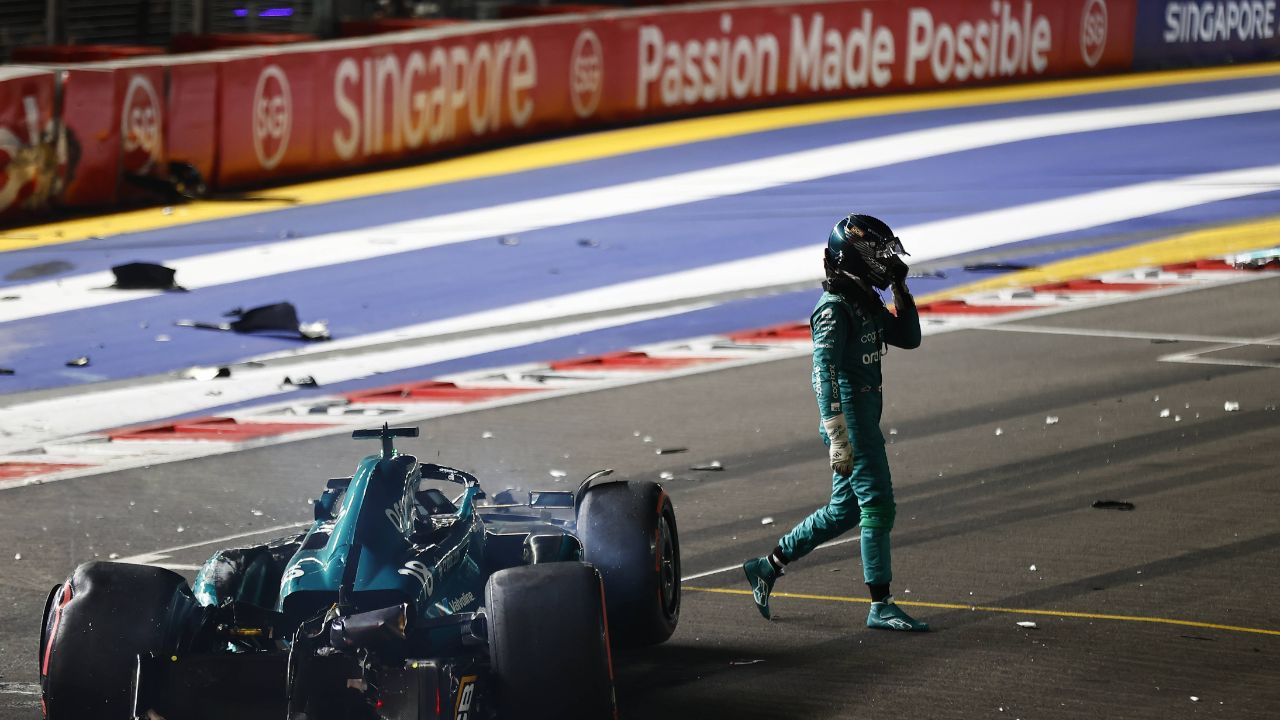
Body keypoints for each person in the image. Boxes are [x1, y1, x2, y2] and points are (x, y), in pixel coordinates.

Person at [742, 213, 928, 631]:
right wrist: (838, 436)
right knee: (878, 504)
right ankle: (880, 604)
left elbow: (909, 337)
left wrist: (900, 288)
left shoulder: (862, 300)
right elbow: (821, 373)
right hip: (850, 422)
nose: (885, 262)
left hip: (863, 417)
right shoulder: (833, 309)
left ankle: (766, 567)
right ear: (854, 258)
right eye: (878, 255)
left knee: (844, 511)